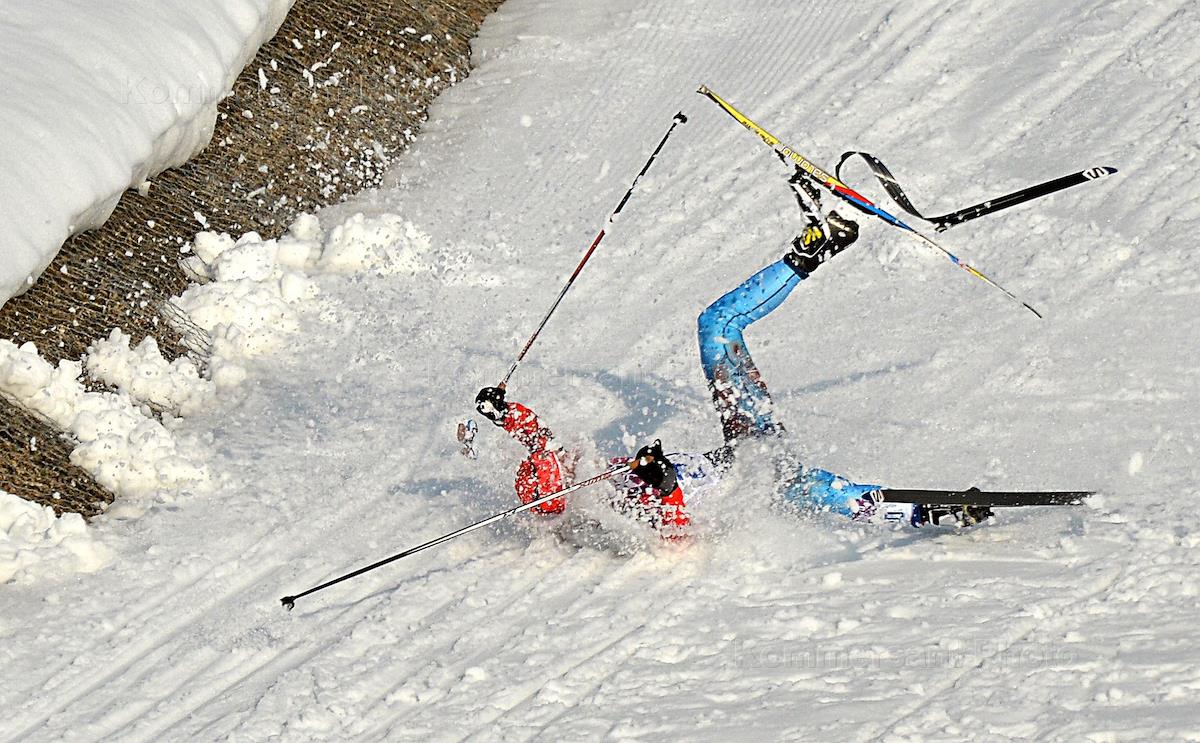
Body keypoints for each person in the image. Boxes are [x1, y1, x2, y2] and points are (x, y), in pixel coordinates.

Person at [476, 172, 987, 536]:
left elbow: (536, 435)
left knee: (715, 324)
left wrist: (503, 413)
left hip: (740, 449)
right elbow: (676, 533)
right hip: (750, 485)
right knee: (810, 489)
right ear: (564, 492)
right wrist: (665, 483)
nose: (565, 457)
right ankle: (926, 513)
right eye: (561, 466)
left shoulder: (580, 467)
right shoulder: (609, 509)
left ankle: (811, 250)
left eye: (556, 458)